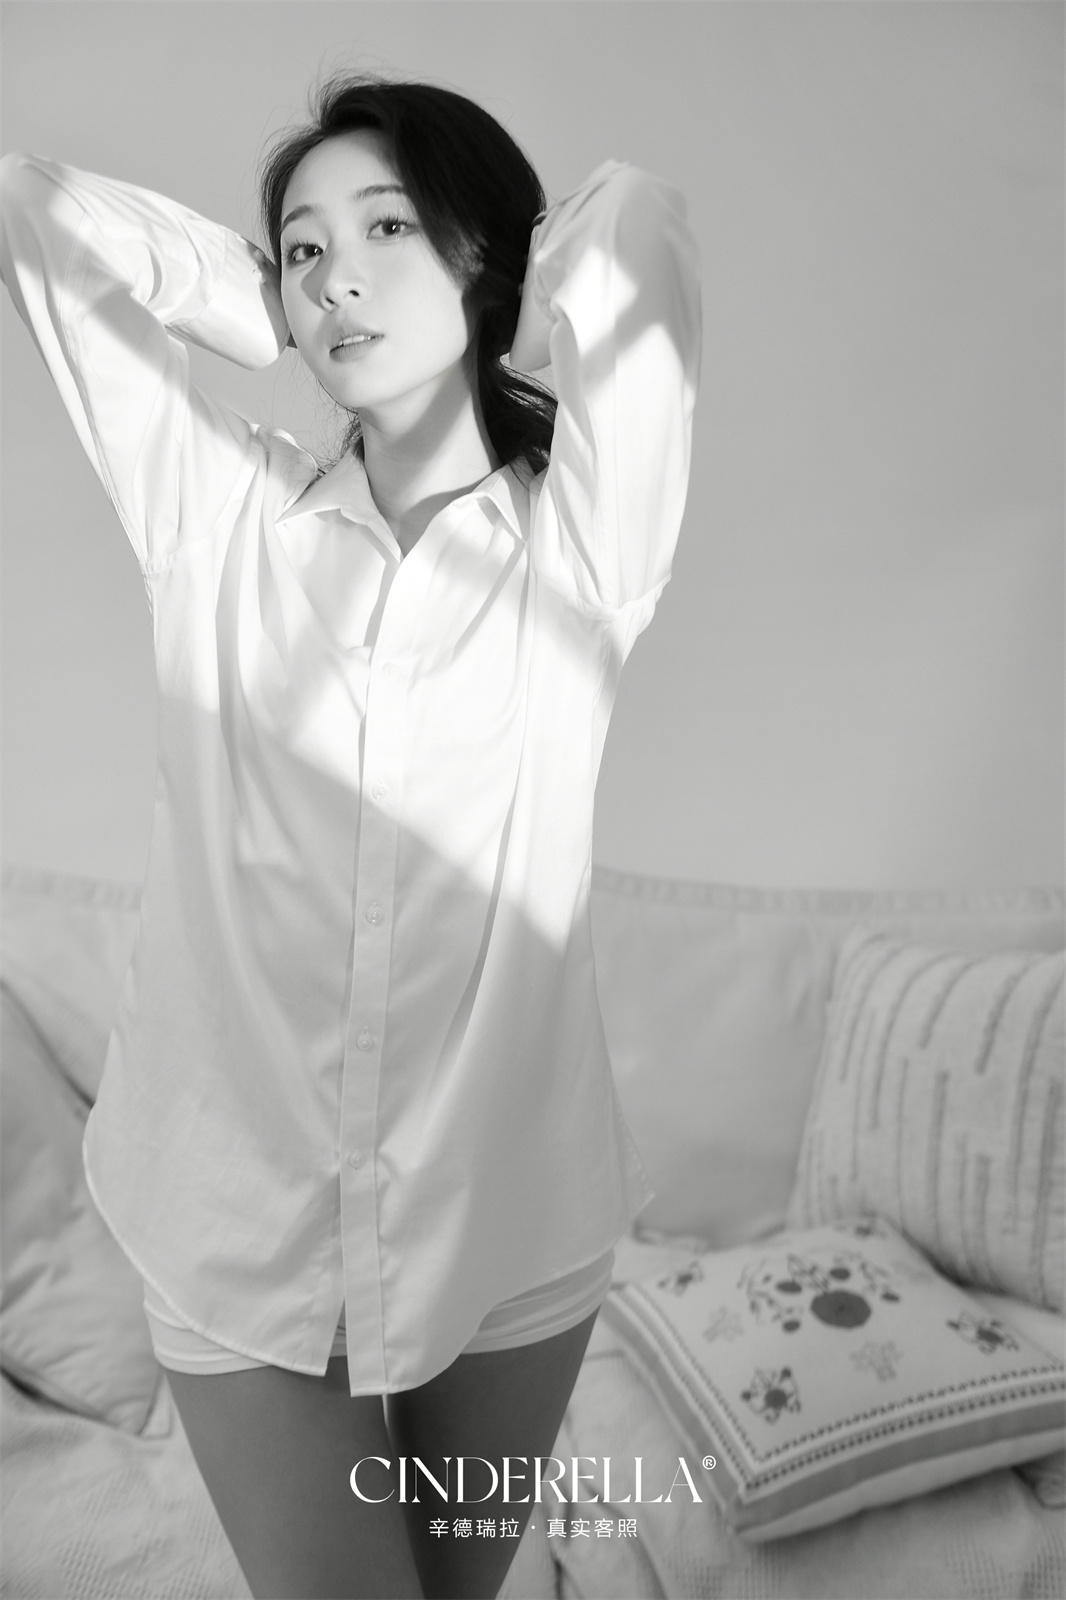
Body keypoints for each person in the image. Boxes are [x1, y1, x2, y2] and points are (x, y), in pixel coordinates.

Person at [1, 72, 701, 1600]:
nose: (335, 279)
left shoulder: (581, 551)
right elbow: (32, 208)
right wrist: (243, 301)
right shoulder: (217, 521)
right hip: (233, 1220)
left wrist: (530, 304)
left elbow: (640, 222)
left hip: (507, 1221)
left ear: (480, 254)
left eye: (387, 227)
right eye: (303, 248)